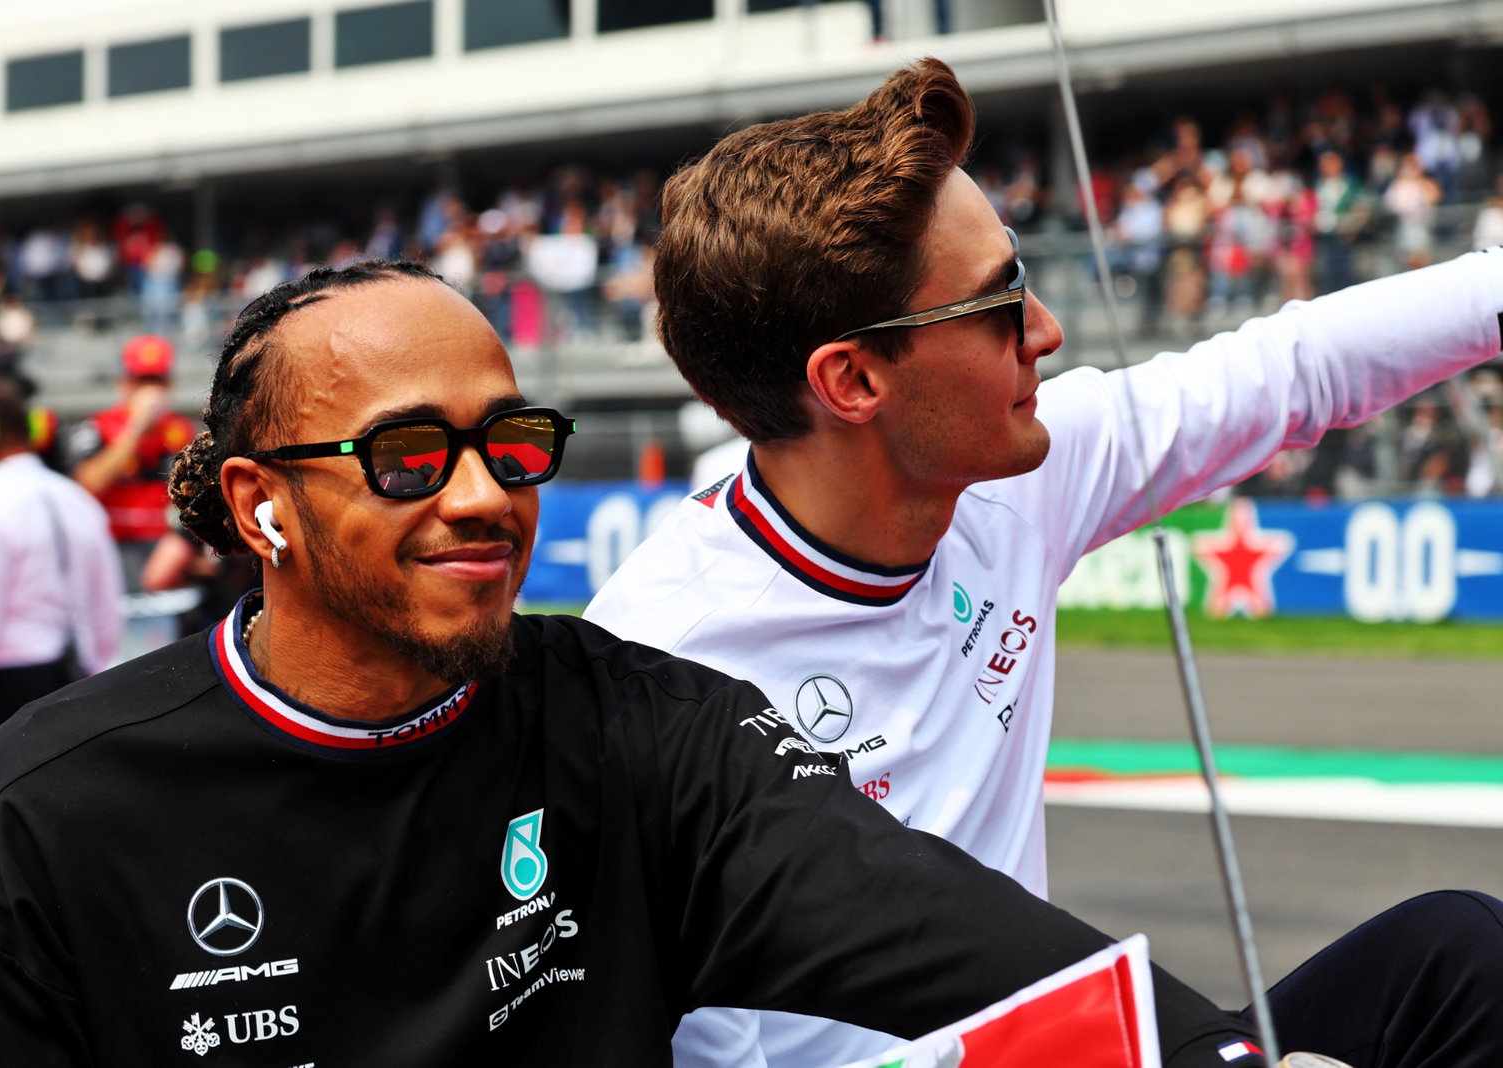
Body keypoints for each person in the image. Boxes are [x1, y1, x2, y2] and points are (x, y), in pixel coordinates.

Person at [0, 260, 1282, 1066]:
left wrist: (1215, 1051)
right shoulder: (50, 802)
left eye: (509, 445)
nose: (479, 495)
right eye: (408, 456)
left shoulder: (637, 722)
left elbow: (943, 934)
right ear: (264, 506)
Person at [582, 58, 1503, 1068]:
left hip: (1072, 1044)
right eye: (997, 302)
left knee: (1457, 954)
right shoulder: (653, 678)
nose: (1047, 334)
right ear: (850, 380)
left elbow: (1291, 370)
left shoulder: (1019, 473)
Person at [0, 380, 124, 767]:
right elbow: (107, 601)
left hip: (4, 679)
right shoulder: (77, 499)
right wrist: (100, 668)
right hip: (77, 674)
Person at [68, 332, 198, 589]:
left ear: (169, 384)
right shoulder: (97, 427)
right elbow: (89, 483)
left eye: (157, 381)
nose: (150, 391)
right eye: (141, 381)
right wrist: (136, 428)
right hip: (110, 546)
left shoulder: (183, 431)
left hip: (164, 550)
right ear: (124, 384)